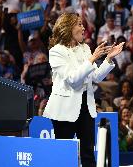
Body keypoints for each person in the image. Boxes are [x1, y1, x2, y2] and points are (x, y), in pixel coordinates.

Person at [42, 13, 124, 167]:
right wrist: (92, 58)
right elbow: (72, 79)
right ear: (68, 27)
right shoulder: (56, 51)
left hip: (86, 106)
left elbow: (97, 77)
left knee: (88, 153)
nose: (83, 27)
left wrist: (108, 59)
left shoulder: (85, 48)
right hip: (64, 109)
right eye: (79, 24)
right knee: (64, 155)